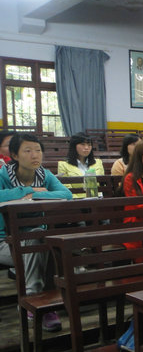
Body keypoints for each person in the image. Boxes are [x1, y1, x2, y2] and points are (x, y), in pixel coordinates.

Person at [0, 133, 72, 332]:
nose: (35, 155)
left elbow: (66, 194)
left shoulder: (44, 174)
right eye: (28, 150)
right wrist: (27, 191)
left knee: (38, 239)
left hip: (34, 239)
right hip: (3, 241)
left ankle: (35, 301)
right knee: (41, 244)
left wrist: (42, 193)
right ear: (15, 155)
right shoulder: (3, 175)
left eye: (38, 150)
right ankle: (40, 303)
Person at [57, 133, 105, 198]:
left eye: (89, 145)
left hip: (98, 199)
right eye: (83, 144)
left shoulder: (98, 163)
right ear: (74, 146)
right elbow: (66, 189)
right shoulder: (63, 165)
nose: (86, 147)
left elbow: (102, 184)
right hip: (76, 201)